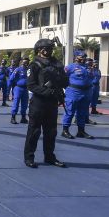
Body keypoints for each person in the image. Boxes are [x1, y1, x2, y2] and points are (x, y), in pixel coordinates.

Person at [24, 38, 67, 168]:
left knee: (51, 132)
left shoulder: (57, 64)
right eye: (46, 48)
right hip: (39, 103)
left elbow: (64, 80)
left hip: (52, 103)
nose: (48, 51)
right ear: (39, 50)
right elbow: (31, 85)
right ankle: (29, 157)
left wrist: (61, 84)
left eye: (50, 48)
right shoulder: (34, 65)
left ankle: (49, 157)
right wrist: (47, 92)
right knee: (34, 131)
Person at [62, 50, 94, 139]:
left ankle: (81, 131)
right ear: (76, 57)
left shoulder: (88, 68)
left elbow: (91, 78)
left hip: (85, 93)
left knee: (82, 112)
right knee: (69, 111)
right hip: (73, 92)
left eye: (84, 57)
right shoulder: (70, 67)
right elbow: (62, 78)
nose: (83, 58)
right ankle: (65, 130)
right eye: (81, 57)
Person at [9, 57, 30, 124]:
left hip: (25, 89)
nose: (26, 63)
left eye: (27, 62)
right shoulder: (17, 69)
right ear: (21, 62)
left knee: (25, 104)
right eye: (25, 62)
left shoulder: (28, 70)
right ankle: (13, 117)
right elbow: (11, 78)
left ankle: (23, 118)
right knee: (16, 102)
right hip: (18, 88)